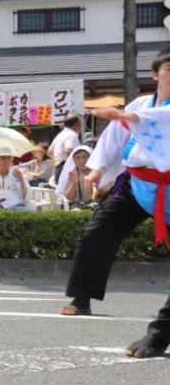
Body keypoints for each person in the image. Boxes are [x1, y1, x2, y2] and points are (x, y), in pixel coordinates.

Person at [58, 48, 170, 357]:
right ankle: (81, 298)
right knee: (97, 233)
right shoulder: (139, 103)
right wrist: (96, 170)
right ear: (155, 74)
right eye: (169, 68)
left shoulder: (141, 111)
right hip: (138, 184)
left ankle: (160, 334)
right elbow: (113, 140)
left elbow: (160, 118)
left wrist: (125, 114)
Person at [49, 114, 83, 180]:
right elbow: (68, 150)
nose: (81, 126)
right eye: (81, 123)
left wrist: (57, 162)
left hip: (59, 169)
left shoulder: (60, 135)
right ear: (76, 124)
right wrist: (79, 165)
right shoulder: (72, 134)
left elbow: (49, 152)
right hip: (67, 170)